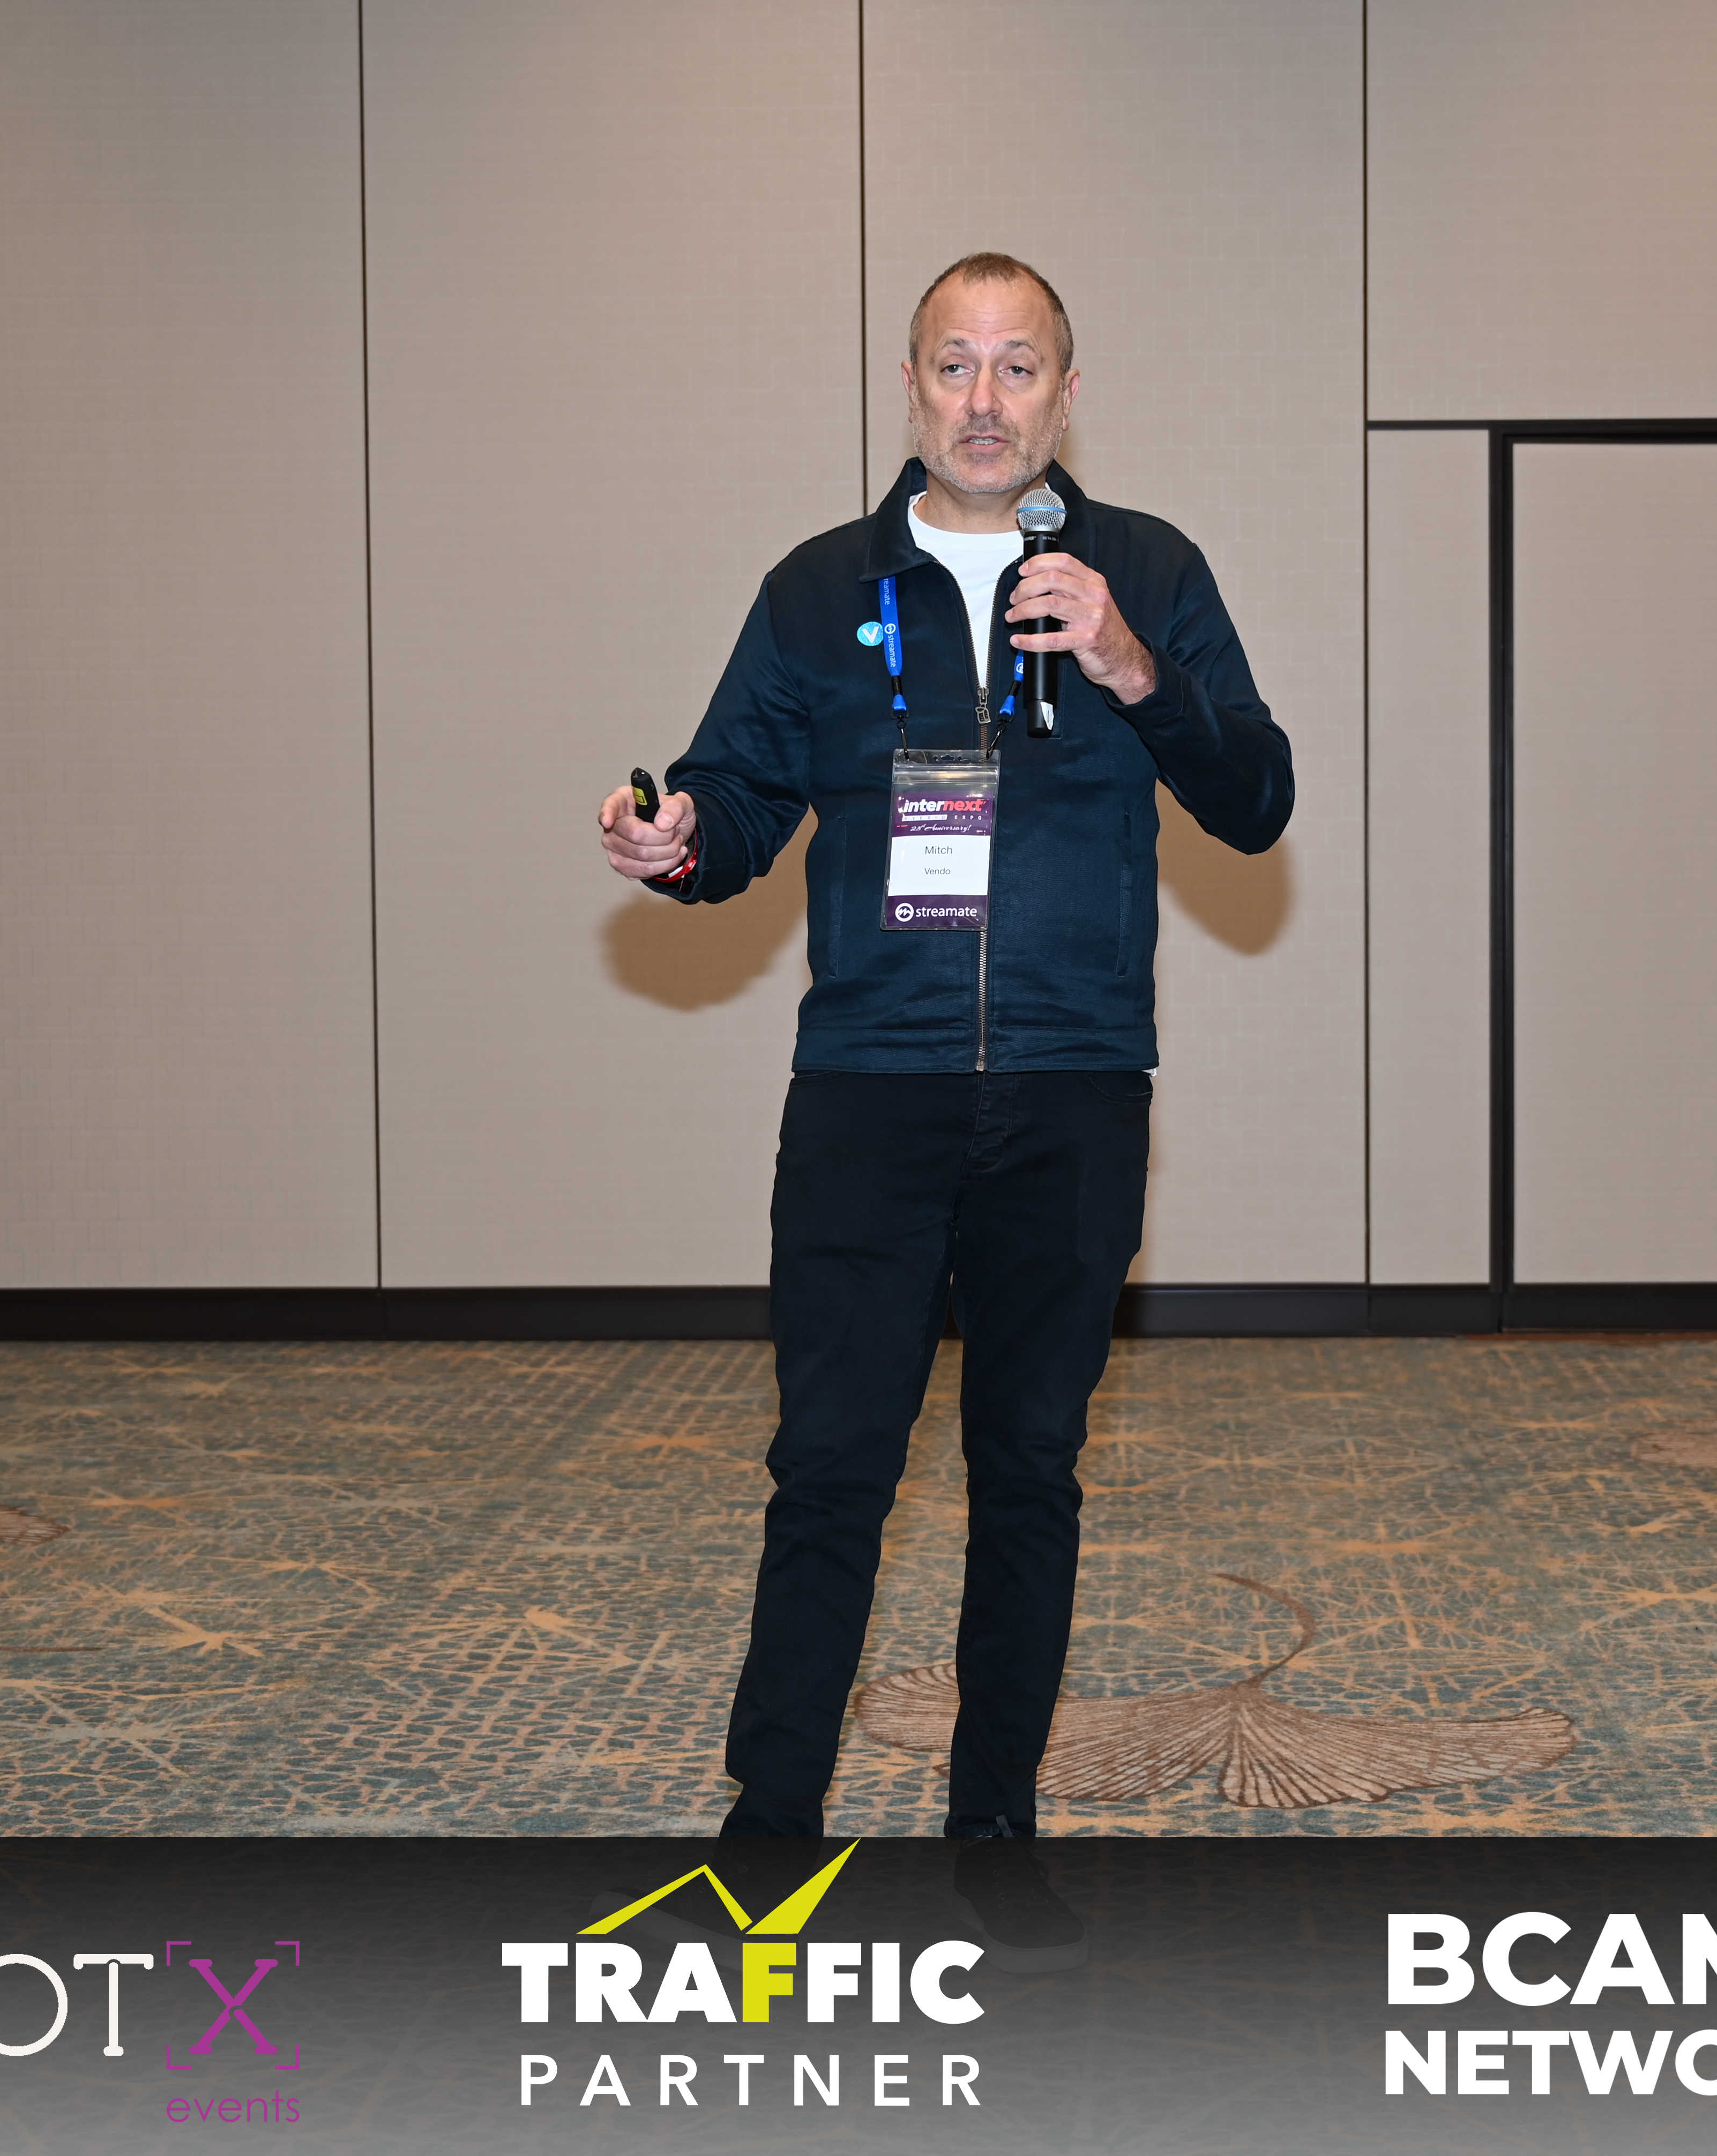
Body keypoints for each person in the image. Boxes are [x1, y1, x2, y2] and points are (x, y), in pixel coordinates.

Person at [597, 251, 1292, 1840]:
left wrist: (1132, 666)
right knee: (830, 1467)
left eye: (1018, 366)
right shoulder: (816, 589)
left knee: (1029, 1471)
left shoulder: (1148, 571)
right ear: (910, 388)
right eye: (955, 366)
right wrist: (680, 840)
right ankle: (772, 1820)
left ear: (1067, 391)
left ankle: (995, 1826)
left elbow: (1256, 800)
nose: (986, 401)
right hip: (870, 1092)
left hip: (1074, 1090)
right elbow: (737, 800)